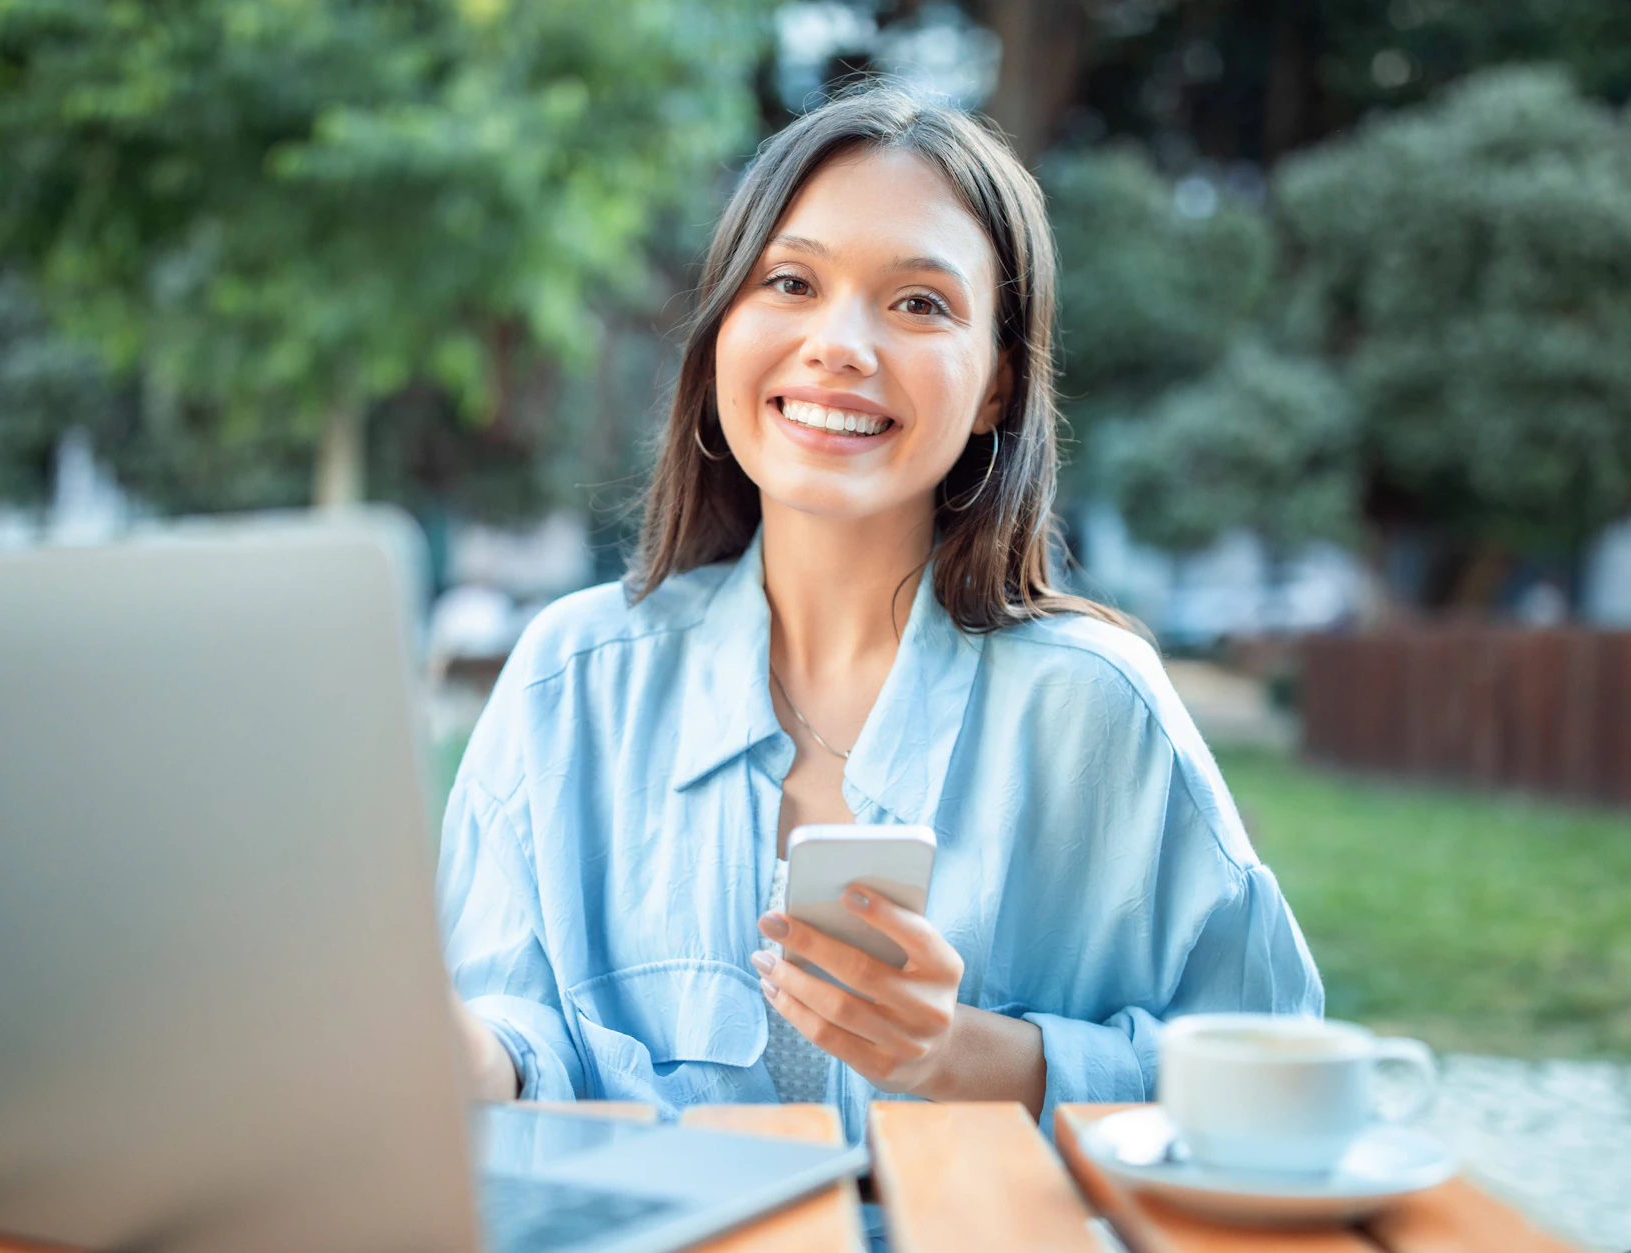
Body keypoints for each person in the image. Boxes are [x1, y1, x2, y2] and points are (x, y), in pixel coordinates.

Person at [438, 85, 1322, 1145]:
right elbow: (510, 1037)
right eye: (790, 281)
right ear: (723, 327)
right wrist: (448, 1051)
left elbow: (1278, 1067)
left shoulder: (1098, 706)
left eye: (917, 304)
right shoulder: (567, 681)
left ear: (998, 381)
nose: (839, 344)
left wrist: (973, 1056)